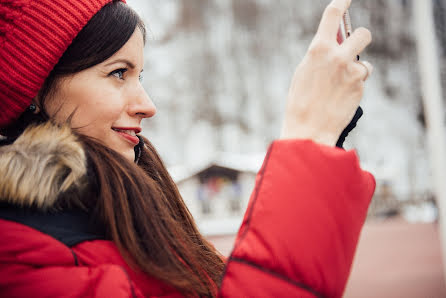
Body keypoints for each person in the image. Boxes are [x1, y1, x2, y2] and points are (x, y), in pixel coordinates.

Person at [0, 0, 374, 297]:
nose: (147, 105)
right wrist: (307, 136)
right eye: (118, 73)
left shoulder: (126, 209)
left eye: (139, 76)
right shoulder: (17, 253)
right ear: (35, 86)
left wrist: (323, 142)